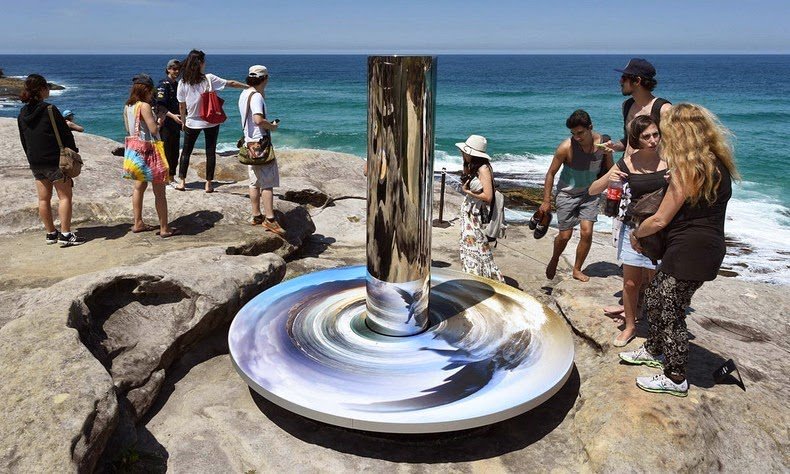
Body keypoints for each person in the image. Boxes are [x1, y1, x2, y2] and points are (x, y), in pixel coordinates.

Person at [619, 104, 739, 397]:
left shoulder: (688, 169)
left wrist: (637, 232)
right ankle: (653, 348)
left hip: (690, 251)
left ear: (681, 134)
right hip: (701, 248)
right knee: (660, 297)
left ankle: (675, 377)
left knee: (669, 310)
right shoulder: (714, 162)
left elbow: (660, 218)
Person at [589, 116, 667, 346]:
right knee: (631, 283)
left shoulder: (669, 160)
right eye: (646, 137)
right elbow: (593, 190)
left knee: (657, 283)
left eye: (655, 134)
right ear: (637, 139)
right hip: (632, 229)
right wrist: (611, 176)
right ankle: (630, 326)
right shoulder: (627, 163)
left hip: (660, 229)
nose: (653, 140)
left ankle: (657, 329)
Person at [541, 110, 613, 282]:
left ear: (590, 127)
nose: (577, 137)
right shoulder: (566, 147)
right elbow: (551, 173)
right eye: (573, 133)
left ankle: (577, 269)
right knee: (565, 236)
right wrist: (546, 201)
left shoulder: (603, 144)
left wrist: (608, 155)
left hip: (590, 194)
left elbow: (611, 170)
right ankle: (555, 257)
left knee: (587, 232)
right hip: (566, 194)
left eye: (580, 133)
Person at [17, 74, 85, 247]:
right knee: (65, 197)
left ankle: (50, 233)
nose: (48, 89)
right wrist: (74, 153)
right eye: (46, 86)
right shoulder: (49, 109)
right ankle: (66, 234)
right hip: (55, 160)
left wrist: (31, 158)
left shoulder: (22, 112)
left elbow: (23, 139)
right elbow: (65, 133)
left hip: (36, 162)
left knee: (43, 199)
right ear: (41, 90)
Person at [175, 49, 246, 192]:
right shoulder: (209, 78)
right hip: (211, 120)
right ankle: (208, 184)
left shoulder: (183, 82)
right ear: (200, 63)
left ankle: (182, 182)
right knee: (210, 151)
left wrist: (183, 121)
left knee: (186, 152)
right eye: (204, 61)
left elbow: (182, 105)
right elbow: (231, 83)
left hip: (191, 122)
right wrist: (249, 87)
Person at [124, 74, 179, 238]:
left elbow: (129, 128)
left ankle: (138, 222)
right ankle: (164, 228)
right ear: (146, 90)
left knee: (138, 188)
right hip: (150, 151)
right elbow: (154, 130)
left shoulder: (128, 106)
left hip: (135, 150)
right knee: (159, 192)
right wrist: (160, 120)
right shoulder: (144, 106)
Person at [237, 65, 285, 236]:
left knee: (254, 181)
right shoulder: (256, 96)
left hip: (249, 143)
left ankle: (256, 215)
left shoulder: (244, 94)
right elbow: (258, 120)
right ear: (265, 78)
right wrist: (271, 126)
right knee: (267, 183)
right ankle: (270, 219)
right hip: (261, 143)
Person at [457, 135, 504, 282]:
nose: (463, 154)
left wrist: (468, 192)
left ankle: (484, 278)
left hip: (476, 213)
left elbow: (488, 196)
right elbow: (466, 177)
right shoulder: (473, 166)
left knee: (479, 246)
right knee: (470, 245)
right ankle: (474, 277)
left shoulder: (483, 169)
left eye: (465, 152)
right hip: (469, 211)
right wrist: (465, 163)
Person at [604, 58, 671, 159]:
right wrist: (614, 147)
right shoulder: (627, 105)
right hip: (627, 168)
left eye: (624, 78)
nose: (620, 81)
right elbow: (629, 142)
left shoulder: (664, 110)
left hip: (650, 171)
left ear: (637, 81)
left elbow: (675, 147)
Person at [156, 59, 183, 185]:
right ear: (168, 69)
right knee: (166, 150)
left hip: (176, 123)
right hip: (166, 122)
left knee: (174, 151)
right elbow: (160, 106)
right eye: (173, 69)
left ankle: (171, 176)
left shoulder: (177, 85)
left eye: (178, 69)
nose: (176, 71)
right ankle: (165, 178)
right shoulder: (163, 84)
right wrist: (173, 116)